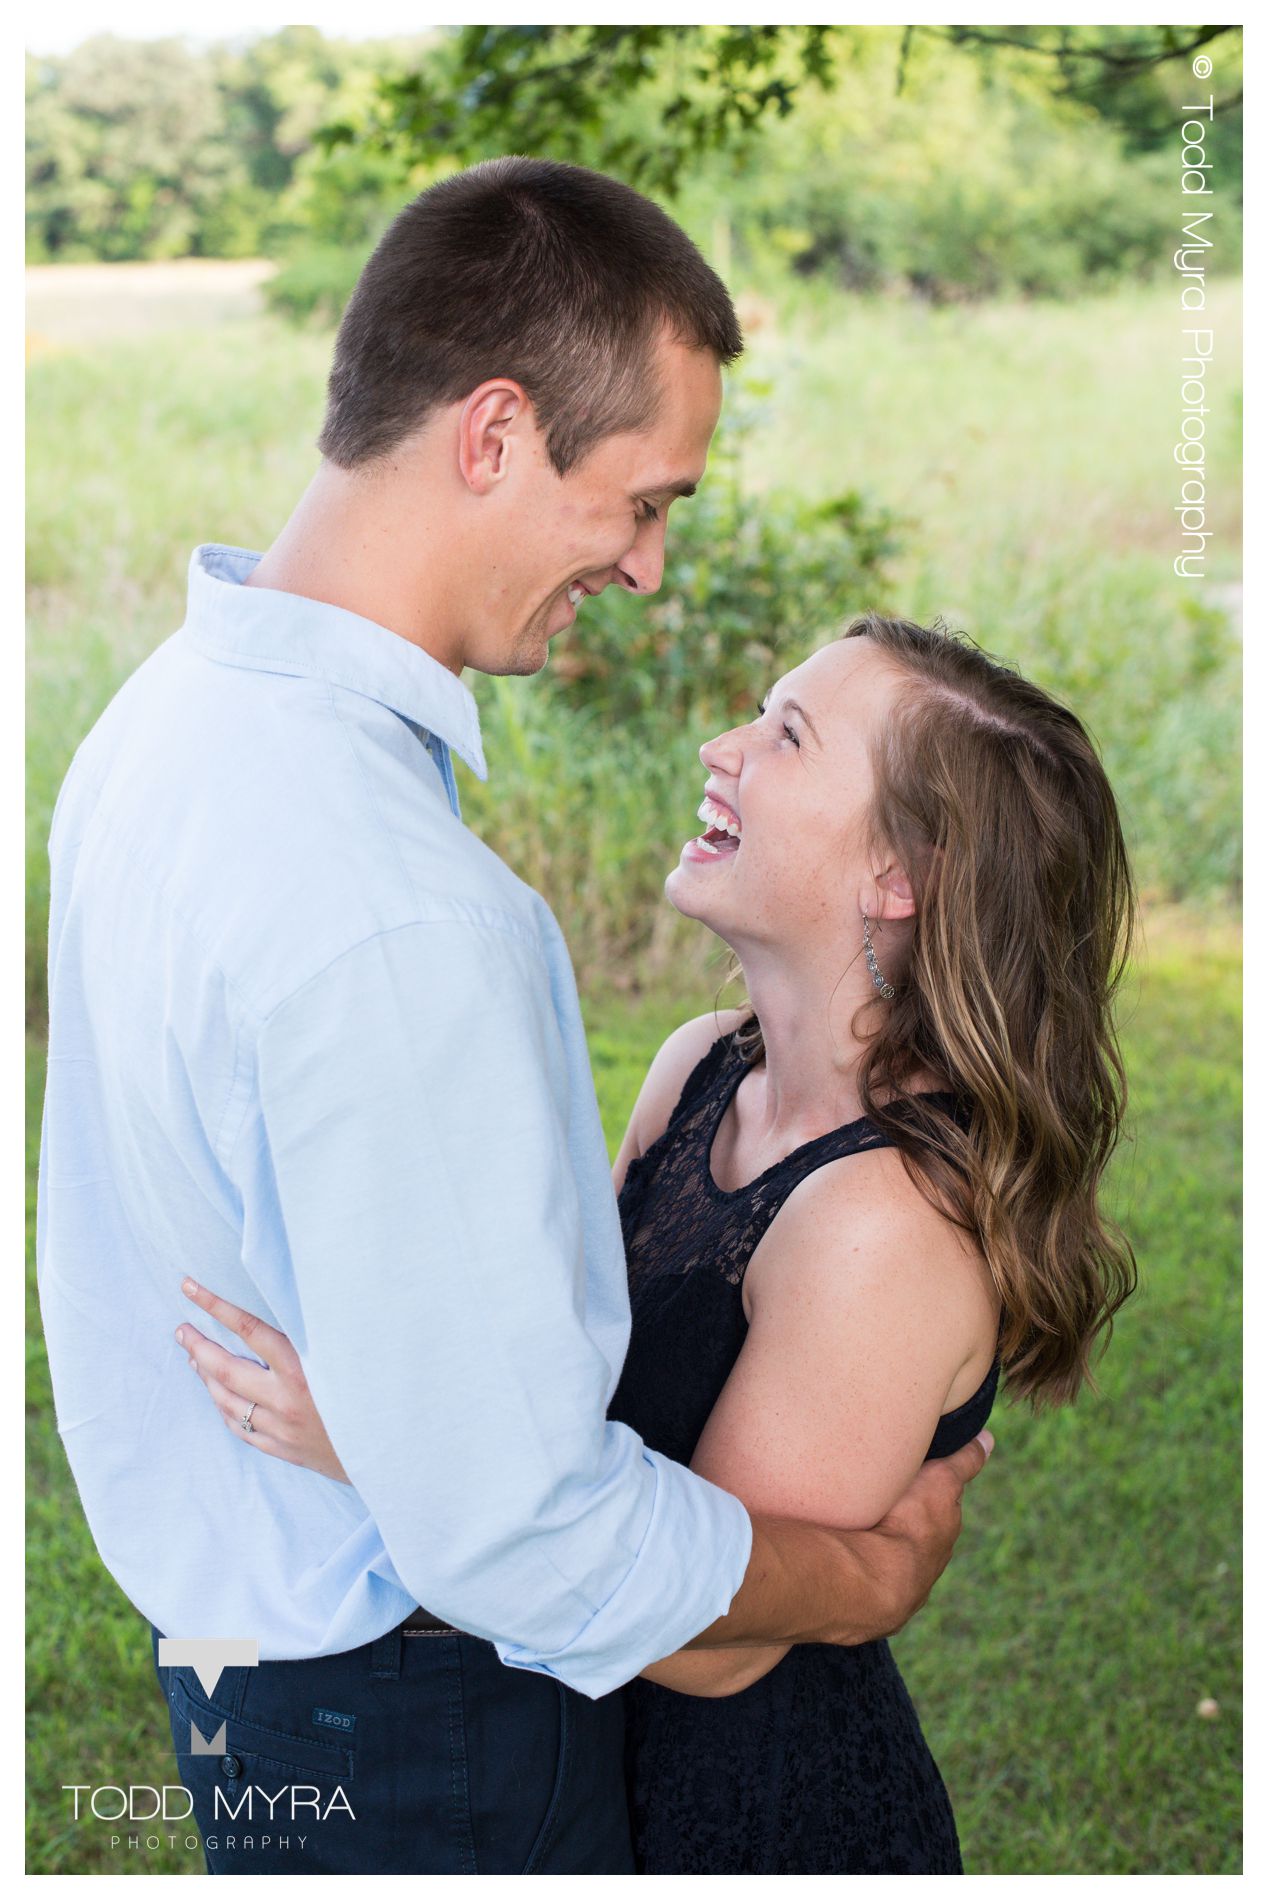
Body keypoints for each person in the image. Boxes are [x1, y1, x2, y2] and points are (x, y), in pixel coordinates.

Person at [36, 159, 990, 1878]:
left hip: (250, 1682)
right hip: (416, 1723)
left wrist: (404, 1435)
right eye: (637, 503)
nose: (641, 569)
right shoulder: (405, 914)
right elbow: (524, 1537)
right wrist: (857, 1576)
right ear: (490, 435)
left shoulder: (159, 727)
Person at [182, 612, 1137, 1873]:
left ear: (899, 874)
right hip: (577, 1755)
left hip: (749, 1813)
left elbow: (709, 1634)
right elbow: (572, 1378)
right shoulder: (701, 1068)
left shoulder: (880, 1224)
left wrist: (380, 1443)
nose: (719, 745)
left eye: (786, 735)